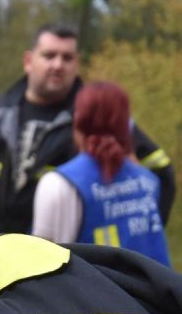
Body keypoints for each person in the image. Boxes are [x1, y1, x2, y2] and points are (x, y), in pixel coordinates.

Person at [0, 24, 175, 235]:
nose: (58, 65)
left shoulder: (96, 120)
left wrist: (142, 230)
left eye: (67, 58)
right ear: (28, 61)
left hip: (55, 267)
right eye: (49, 56)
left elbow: (160, 172)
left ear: (77, 65)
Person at [32, 82, 170, 265]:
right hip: (149, 293)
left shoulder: (58, 184)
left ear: (78, 119)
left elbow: (40, 263)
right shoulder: (148, 181)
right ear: (127, 125)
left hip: (89, 292)